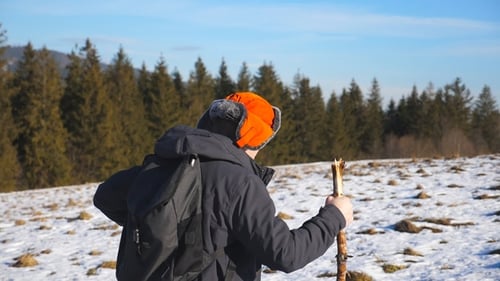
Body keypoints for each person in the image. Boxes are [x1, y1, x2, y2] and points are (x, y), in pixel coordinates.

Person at [94, 92, 353, 281]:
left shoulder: (168, 162)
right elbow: (286, 253)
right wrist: (334, 217)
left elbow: (106, 196)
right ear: (256, 138)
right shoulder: (238, 183)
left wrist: (162, 226)